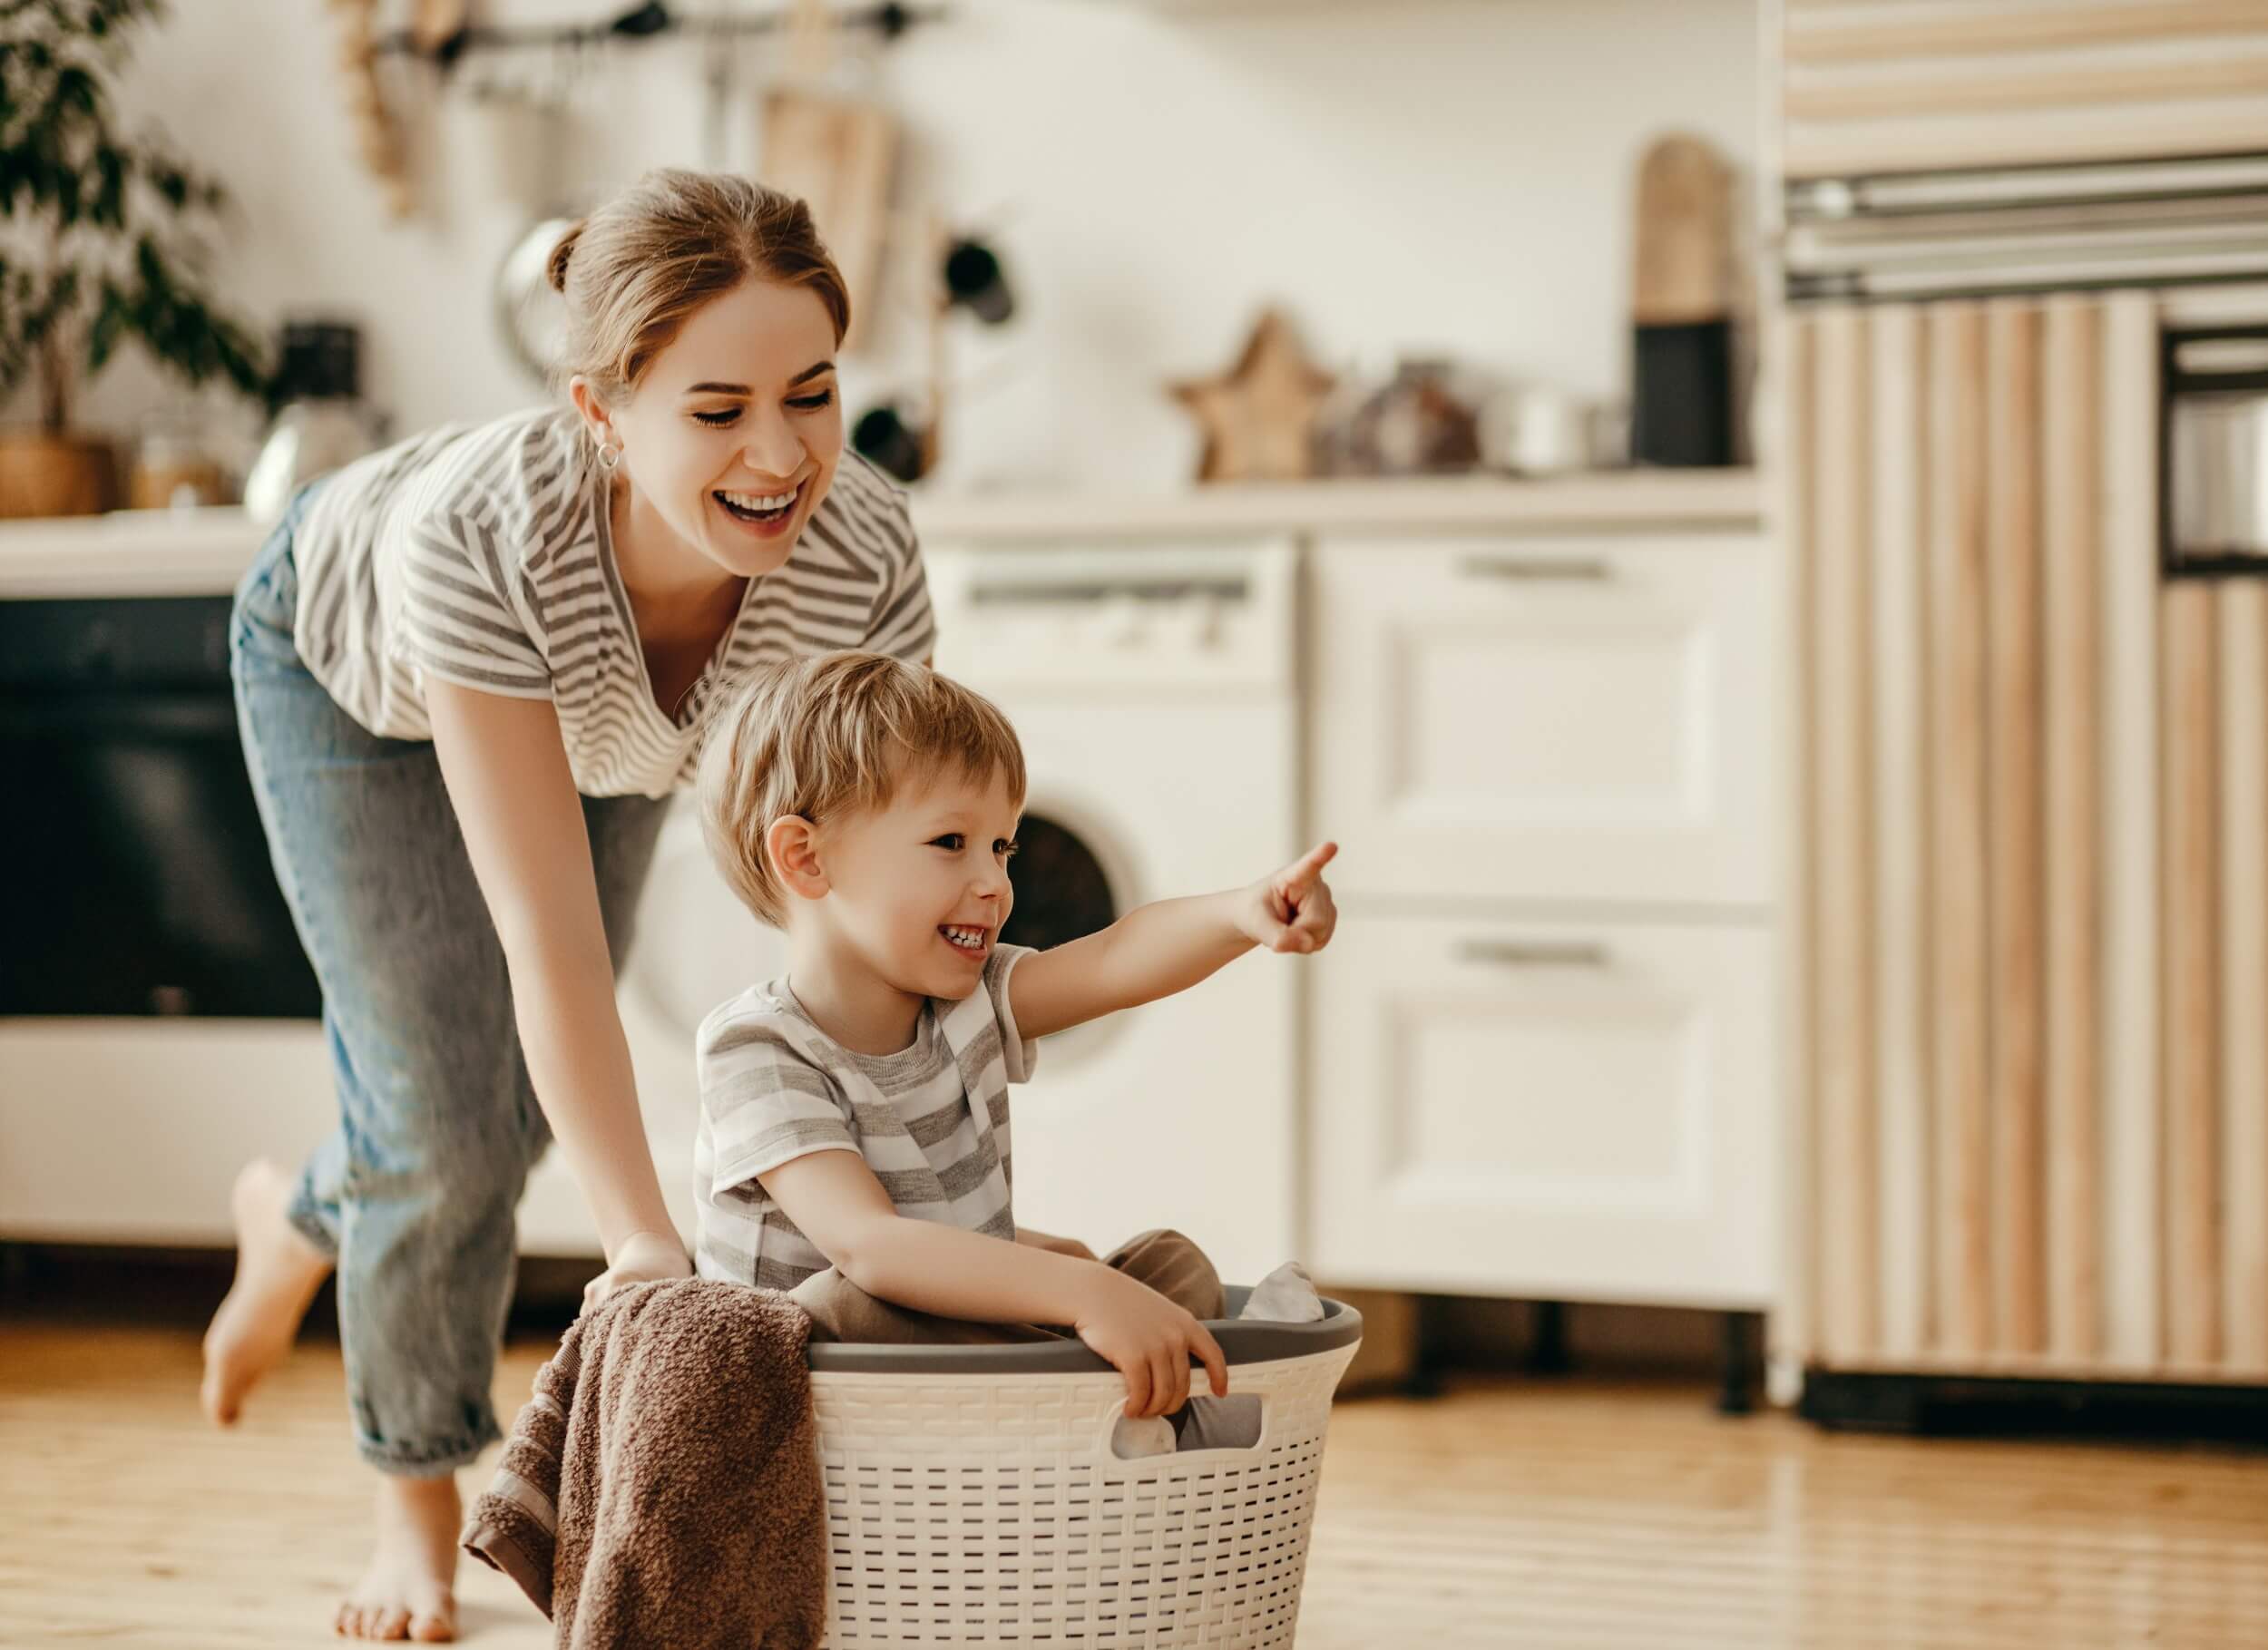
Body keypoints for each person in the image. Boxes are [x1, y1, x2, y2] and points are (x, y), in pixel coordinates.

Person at [202, 170, 933, 1643]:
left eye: (812, 392)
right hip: (355, 675)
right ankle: (414, 1494)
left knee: (487, 1117)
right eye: (717, 411)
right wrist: (642, 1246)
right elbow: (553, 949)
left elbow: (886, 888)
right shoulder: (481, 535)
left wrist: (904, 1195)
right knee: (455, 1118)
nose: (783, 453)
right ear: (603, 410)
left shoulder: (863, 555)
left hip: (615, 717)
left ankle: (299, 1219)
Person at [690, 650, 1340, 1418]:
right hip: (820, 1386)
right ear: (807, 858)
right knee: (850, 1302)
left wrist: (1240, 913)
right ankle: (1097, 1388)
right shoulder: (759, 1048)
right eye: (951, 843)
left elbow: (1113, 959)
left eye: (1002, 846)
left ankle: (1096, 1380)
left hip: (954, 1336)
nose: (996, 883)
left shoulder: (965, 1002)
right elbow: (870, 1245)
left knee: (1170, 1266)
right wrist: (1080, 1290)